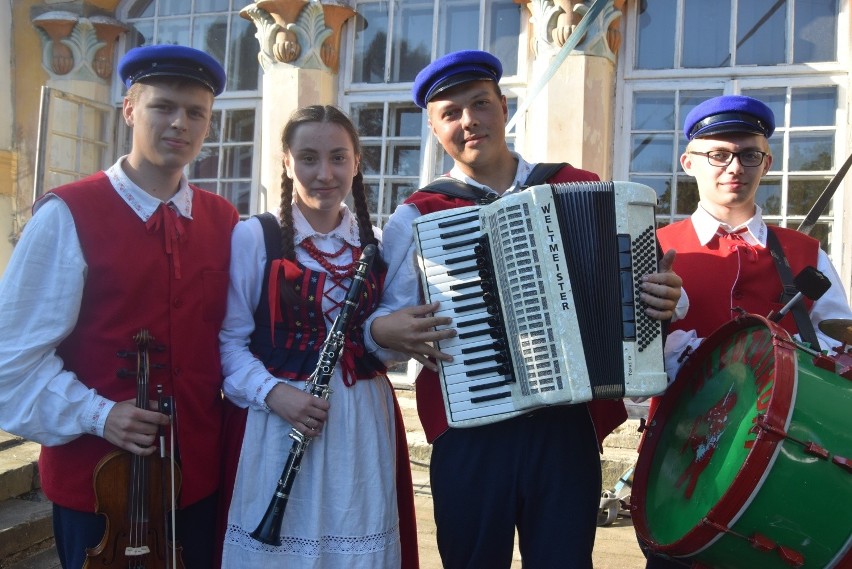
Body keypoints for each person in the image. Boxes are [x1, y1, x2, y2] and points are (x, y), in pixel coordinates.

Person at [363, 49, 685, 569]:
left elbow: (650, 286)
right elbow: (380, 330)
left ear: (503, 106)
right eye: (450, 114)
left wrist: (671, 297)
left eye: (480, 104)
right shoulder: (417, 215)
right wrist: (387, 328)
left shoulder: (576, 184)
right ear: (433, 127)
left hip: (566, 426)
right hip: (468, 431)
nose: (469, 121)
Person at [0, 44, 239, 568]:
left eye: (195, 112)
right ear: (129, 109)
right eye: (163, 107)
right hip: (100, 493)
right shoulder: (68, 215)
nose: (180, 123)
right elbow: (10, 361)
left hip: (198, 481)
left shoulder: (224, 221)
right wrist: (99, 413)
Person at [643, 94, 852, 568]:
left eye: (748, 154)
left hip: (789, 469)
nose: (734, 166)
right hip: (681, 469)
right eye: (718, 154)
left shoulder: (807, 253)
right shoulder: (651, 246)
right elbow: (618, 358)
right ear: (689, 161)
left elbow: (841, 352)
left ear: (767, 161)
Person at [217, 105, 418, 569]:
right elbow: (228, 344)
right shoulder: (254, 237)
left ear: (356, 161)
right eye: (308, 158)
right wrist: (276, 394)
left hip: (362, 423)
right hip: (277, 421)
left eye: (337, 158)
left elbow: (384, 344)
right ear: (286, 161)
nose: (324, 173)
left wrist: (385, 336)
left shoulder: (381, 242)